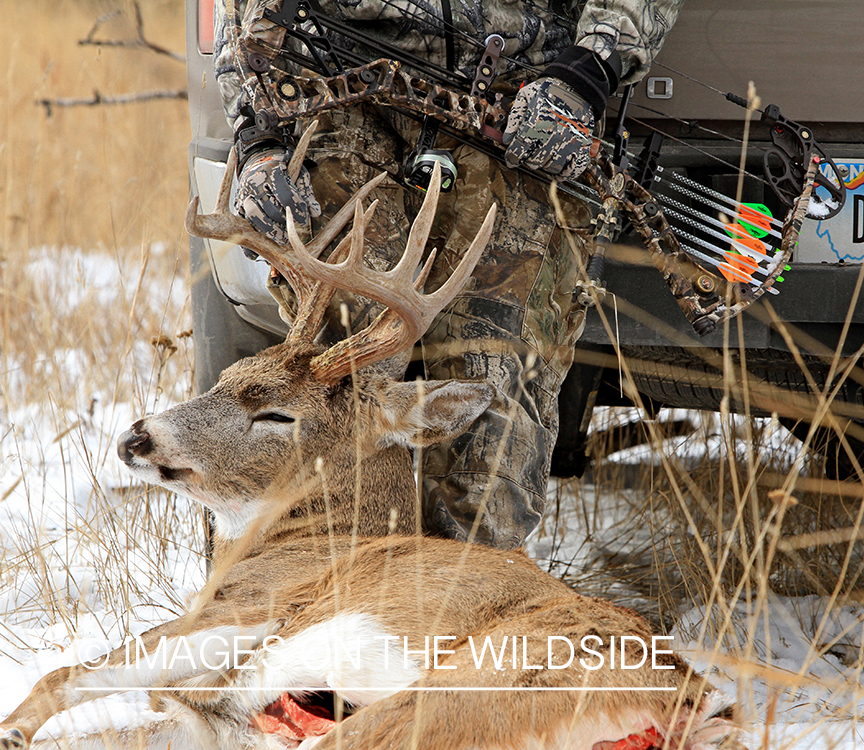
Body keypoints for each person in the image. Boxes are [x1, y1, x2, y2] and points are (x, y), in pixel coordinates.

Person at [213, 0, 682, 549]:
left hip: (524, 110)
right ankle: (317, 603)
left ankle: (461, 611)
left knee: (492, 387)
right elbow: (247, 18)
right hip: (337, 95)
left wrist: (589, 67)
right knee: (330, 384)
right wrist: (259, 141)